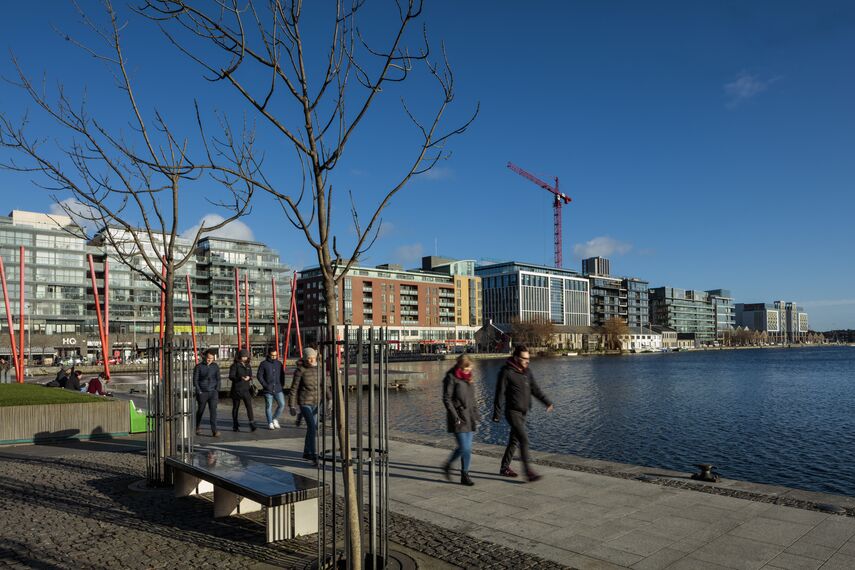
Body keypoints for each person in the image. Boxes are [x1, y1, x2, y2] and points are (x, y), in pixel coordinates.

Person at [491, 345, 554, 482]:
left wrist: (547, 402)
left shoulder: (527, 372)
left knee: (514, 441)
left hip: (523, 412)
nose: (527, 361)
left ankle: (504, 468)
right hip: (512, 412)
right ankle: (528, 472)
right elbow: (499, 393)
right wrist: (497, 413)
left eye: (528, 359)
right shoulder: (506, 372)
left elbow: (535, 389)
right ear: (516, 358)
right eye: (524, 358)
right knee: (524, 439)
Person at [441, 355, 480, 486]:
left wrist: (476, 414)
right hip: (457, 418)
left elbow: (472, 398)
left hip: (469, 417)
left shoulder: (469, 378)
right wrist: (455, 416)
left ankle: (464, 474)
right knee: (464, 447)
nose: (470, 370)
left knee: (466, 448)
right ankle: (450, 466)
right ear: (461, 366)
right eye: (468, 368)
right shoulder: (451, 377)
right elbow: (446, 399)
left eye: (471, 368)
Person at [288, 347, 326, 465]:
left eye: (312, 358)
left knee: (313, 428)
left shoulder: (319, 369)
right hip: (304, 402)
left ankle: (306, 452)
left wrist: (329, 398)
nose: (310, 360)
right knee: (312, 427)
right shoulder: (300, 371)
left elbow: (324, 385)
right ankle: (313, 454)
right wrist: (292, 406)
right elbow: (294, 389)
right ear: (304, 359)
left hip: (316, 401)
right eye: (308, 358)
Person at [193, 349, 221, 437]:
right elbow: (195, 380)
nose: (210, 360)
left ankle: (214, 430)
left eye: (212, 358)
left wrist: (217, 390)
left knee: (213, 412)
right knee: (200, 411)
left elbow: (218, 378)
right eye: (209, 358)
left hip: (213, 392)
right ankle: (197, 427)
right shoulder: (199, 367)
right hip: (202, 392)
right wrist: (199, 391)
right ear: (205, 357)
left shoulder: (215, 366)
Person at [257, 346, 286, 430]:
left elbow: (282, 375)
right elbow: (259, 376)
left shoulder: (279, 363)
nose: (274, 357)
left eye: (275, 355)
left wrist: (282, 384)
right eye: (272, 355)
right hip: (268, 389)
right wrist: (265, 385)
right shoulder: (263, 364)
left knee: (282, 404)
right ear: (268, 355)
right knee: (268, 406)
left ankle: (275, 419)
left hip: (278, 388)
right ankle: (270, 422)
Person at [229, 349, 256, 432]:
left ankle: (252, 423)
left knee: (249, 407)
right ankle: (235, 424)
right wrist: (239, 378)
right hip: (237, 389)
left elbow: (250, 375)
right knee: (236, 407)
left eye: (246, 357)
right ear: (239, 357)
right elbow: (231, 376)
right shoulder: (235, 365)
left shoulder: (248, 366)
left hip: (246, 389)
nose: (244, 358)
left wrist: (249, 377)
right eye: (243, 357)